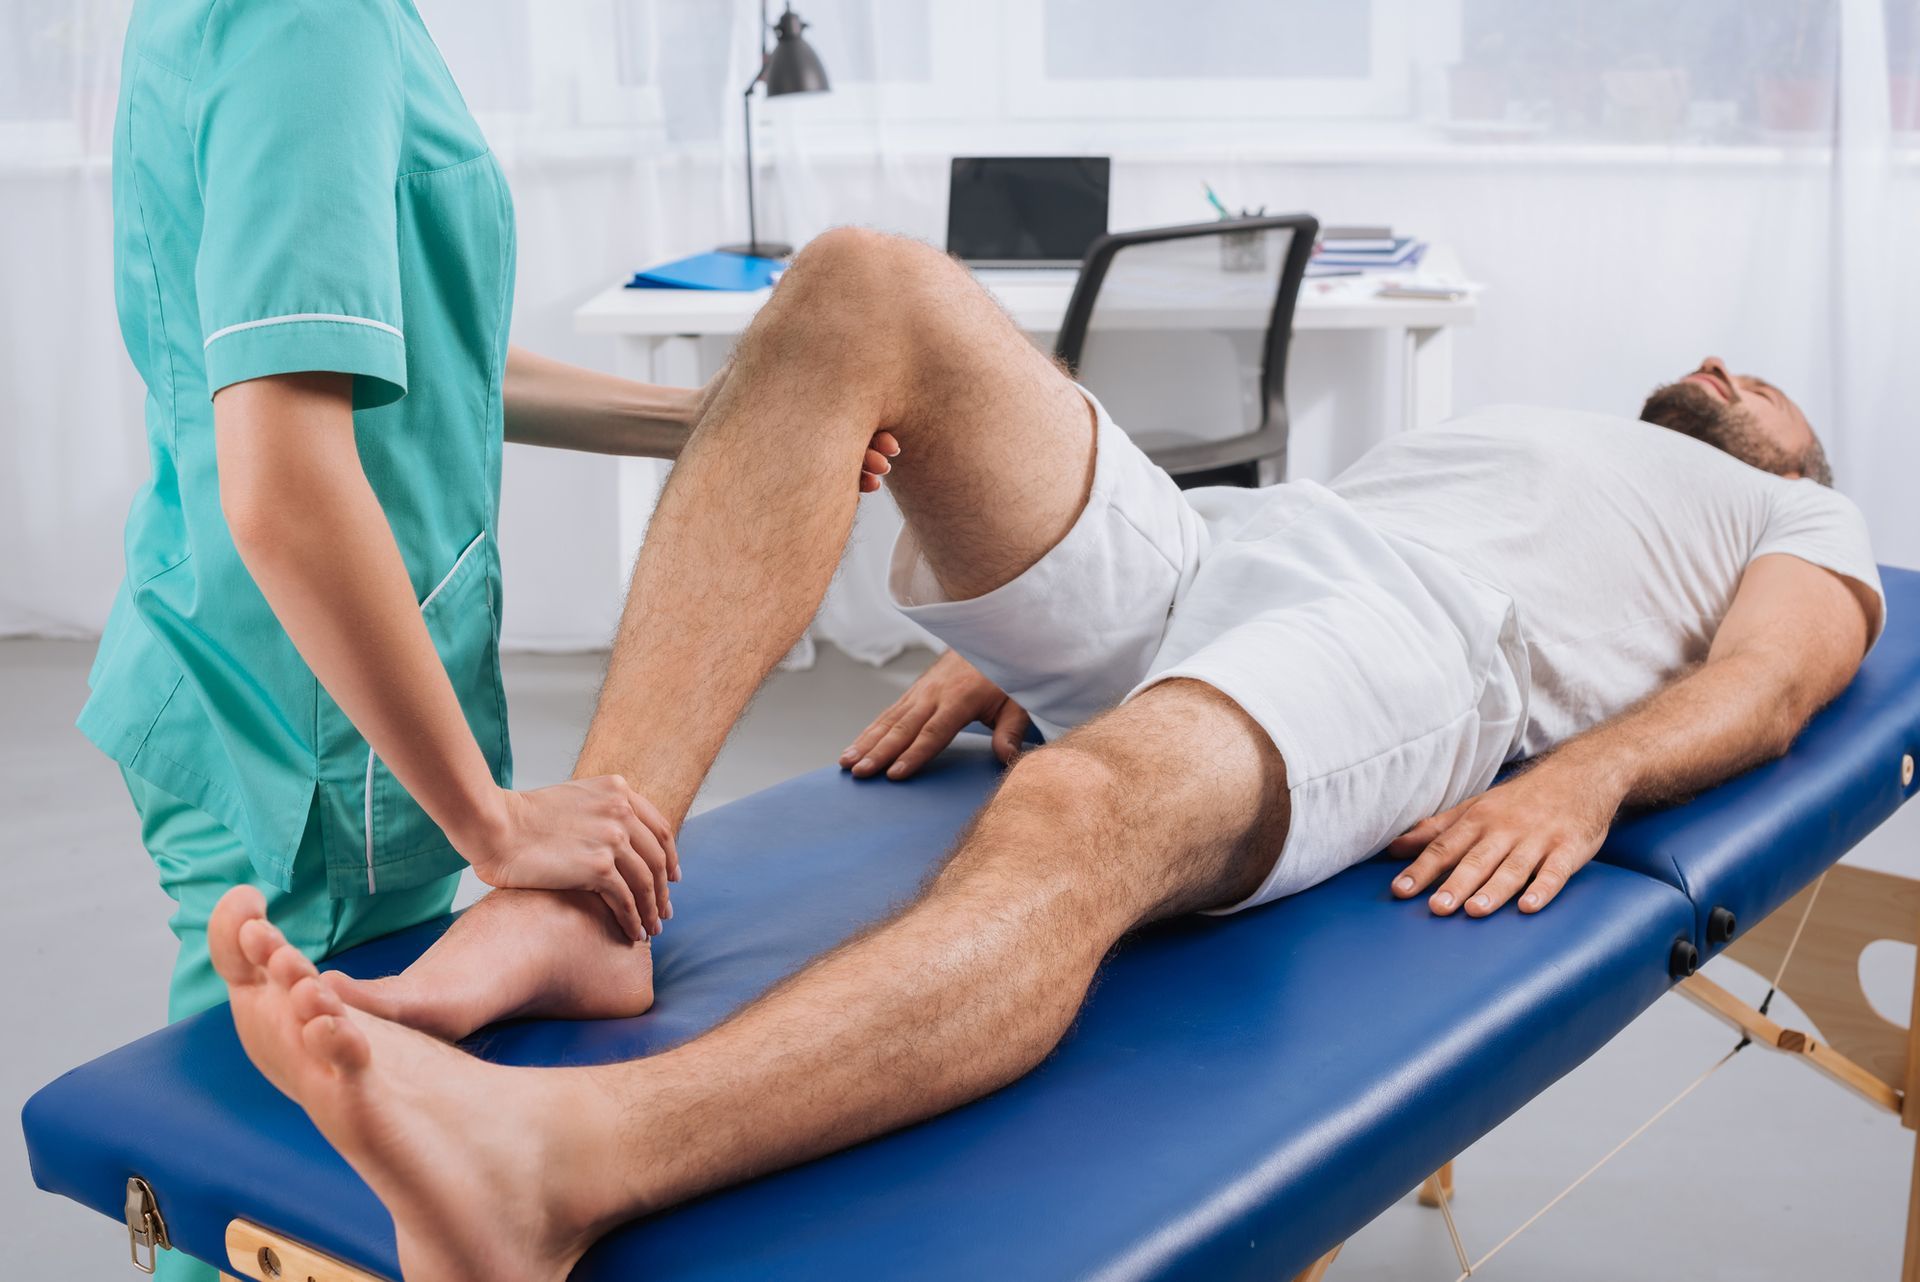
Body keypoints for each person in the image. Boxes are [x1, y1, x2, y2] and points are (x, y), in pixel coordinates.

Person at [205, 227, 1882, 1281]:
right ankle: (593, 904)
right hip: (1234, 553)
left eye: (1765, 382)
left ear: (1792, 442)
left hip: (1431, 643)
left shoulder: (1808, 514)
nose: (1730, 377)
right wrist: (997, 638)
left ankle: (560, 1167)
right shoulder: (1531, 427)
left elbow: (1775, 686)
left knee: (1075, 802)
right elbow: (1262, 546)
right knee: (867, 286)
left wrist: (1584, 776)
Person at [86, 8, 888, 1279]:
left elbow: (400, 343)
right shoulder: (311, 21)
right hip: (305, 727)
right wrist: (491, 823)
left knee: (277, 1132)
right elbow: (283, 478)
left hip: (220, 661)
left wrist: (706, 423)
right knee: (283, 1191)